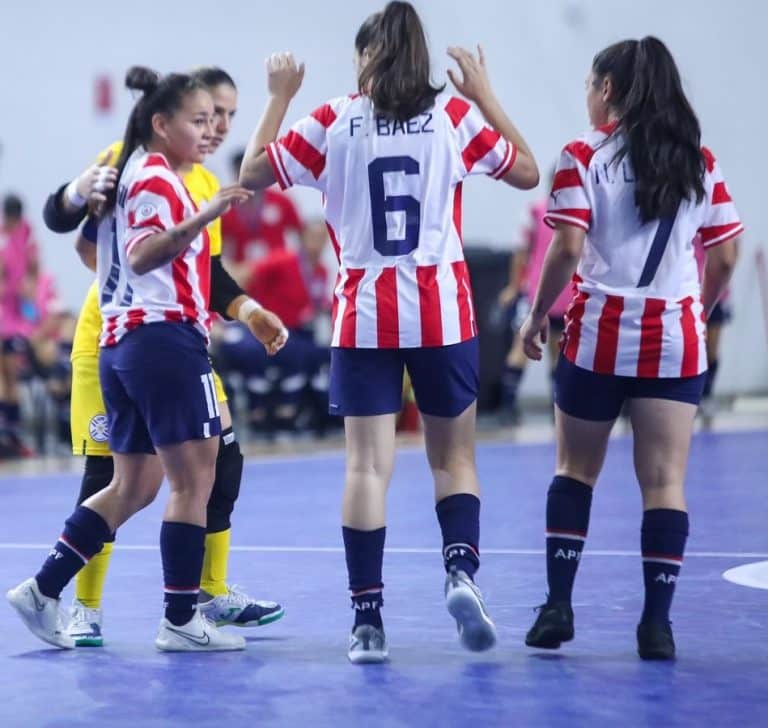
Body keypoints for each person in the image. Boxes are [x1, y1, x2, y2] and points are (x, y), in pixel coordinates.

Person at [239, 1, 539, 663]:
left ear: (366, 58)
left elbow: (251, 176)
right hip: (442, 312)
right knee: (453, 459)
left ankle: (367, 622)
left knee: (367, 466)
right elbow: (527, 171)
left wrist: (279, 97)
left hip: (363, 313)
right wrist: (485, 94)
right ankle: (461, 573)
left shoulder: (332, 120)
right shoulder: (454, 119)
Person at [8, 66, 285, 652]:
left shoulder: (156, 172)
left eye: (222, 119)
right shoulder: (155, 177)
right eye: (203, 117)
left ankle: (42, 589)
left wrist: (244, 308)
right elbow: (135, 252)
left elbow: (121, 251)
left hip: (126, 341)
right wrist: (201, 220)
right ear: (163, 124)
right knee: (192, 479)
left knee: (135, 483)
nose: (213, 129)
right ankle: (179, 618)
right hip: (160, 340)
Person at [519, 37, 741, 660]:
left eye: (591, 84)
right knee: (665, 482)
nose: (586, 96)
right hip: (673, 337)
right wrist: (697, 306)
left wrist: (538, 315)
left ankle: (558, 606)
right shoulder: (698, 160)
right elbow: (723, 255)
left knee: (574, 472)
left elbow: (565, 249)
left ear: (608, 90)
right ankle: (656, 625)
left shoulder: (581, 155)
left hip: (599, 336)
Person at [497, 172, 572, 423]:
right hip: (555, 292)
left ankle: (516, 408)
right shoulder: (562, 213)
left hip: (551, 293)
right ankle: (514, 407)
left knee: (546, 349)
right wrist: (514, 285)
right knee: (540, 349)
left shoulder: (539, 211)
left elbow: (521, 251)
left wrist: (514, 285)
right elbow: (522, 250)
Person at [0, 194, 44, 457]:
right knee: (7, 379)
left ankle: (12, 436)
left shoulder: (25, 238)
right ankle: (9, 435)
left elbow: (32, 275)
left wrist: (29, 309)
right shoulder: (13, 238)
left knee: (10, 378)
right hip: (8, 316)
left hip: (14, 319)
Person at [221, 149, 303, 262]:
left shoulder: (280, 201)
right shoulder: (226, 209)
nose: (247, 177)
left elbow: (302, 234)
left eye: (251, 171)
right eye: (240, 173)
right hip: (243, 274)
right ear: (235, 175)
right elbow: (221, 247)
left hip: (279, 270)